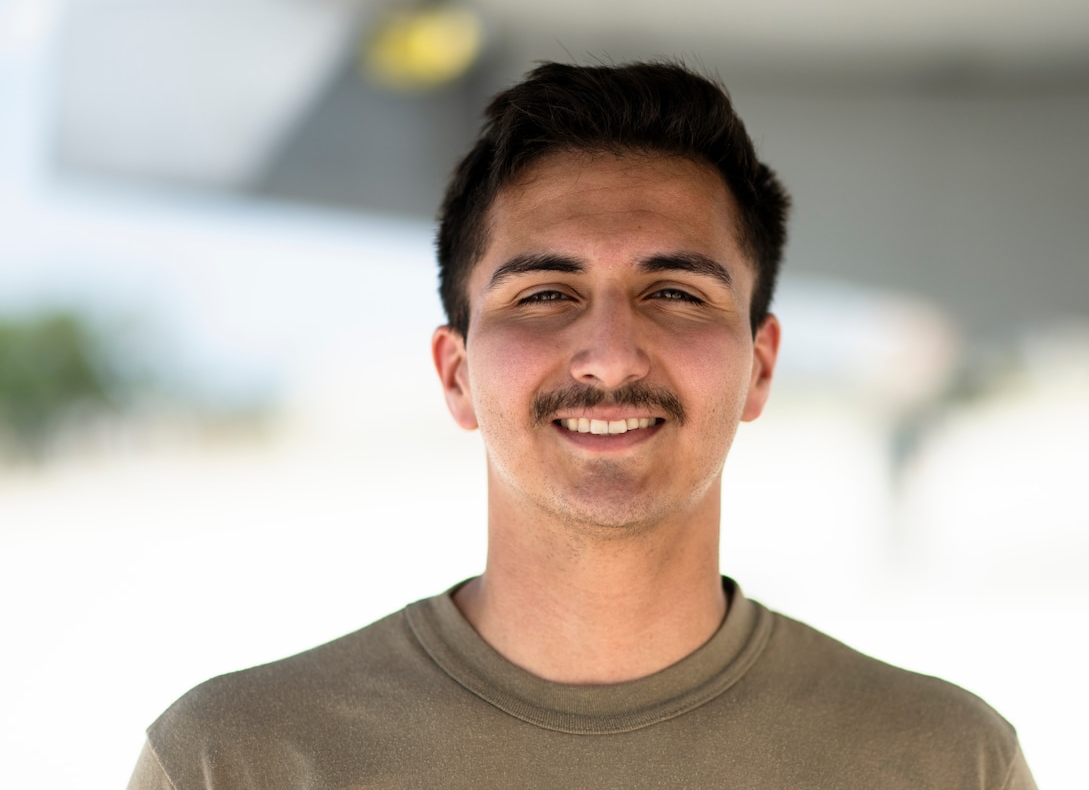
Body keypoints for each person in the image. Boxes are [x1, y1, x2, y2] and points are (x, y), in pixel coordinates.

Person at [127, 61, 1037, 789]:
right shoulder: (234, 763)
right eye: (547, 293)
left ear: (759, 366)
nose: (610, 356)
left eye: (676, 293)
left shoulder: (945, 761)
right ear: (456, 374)